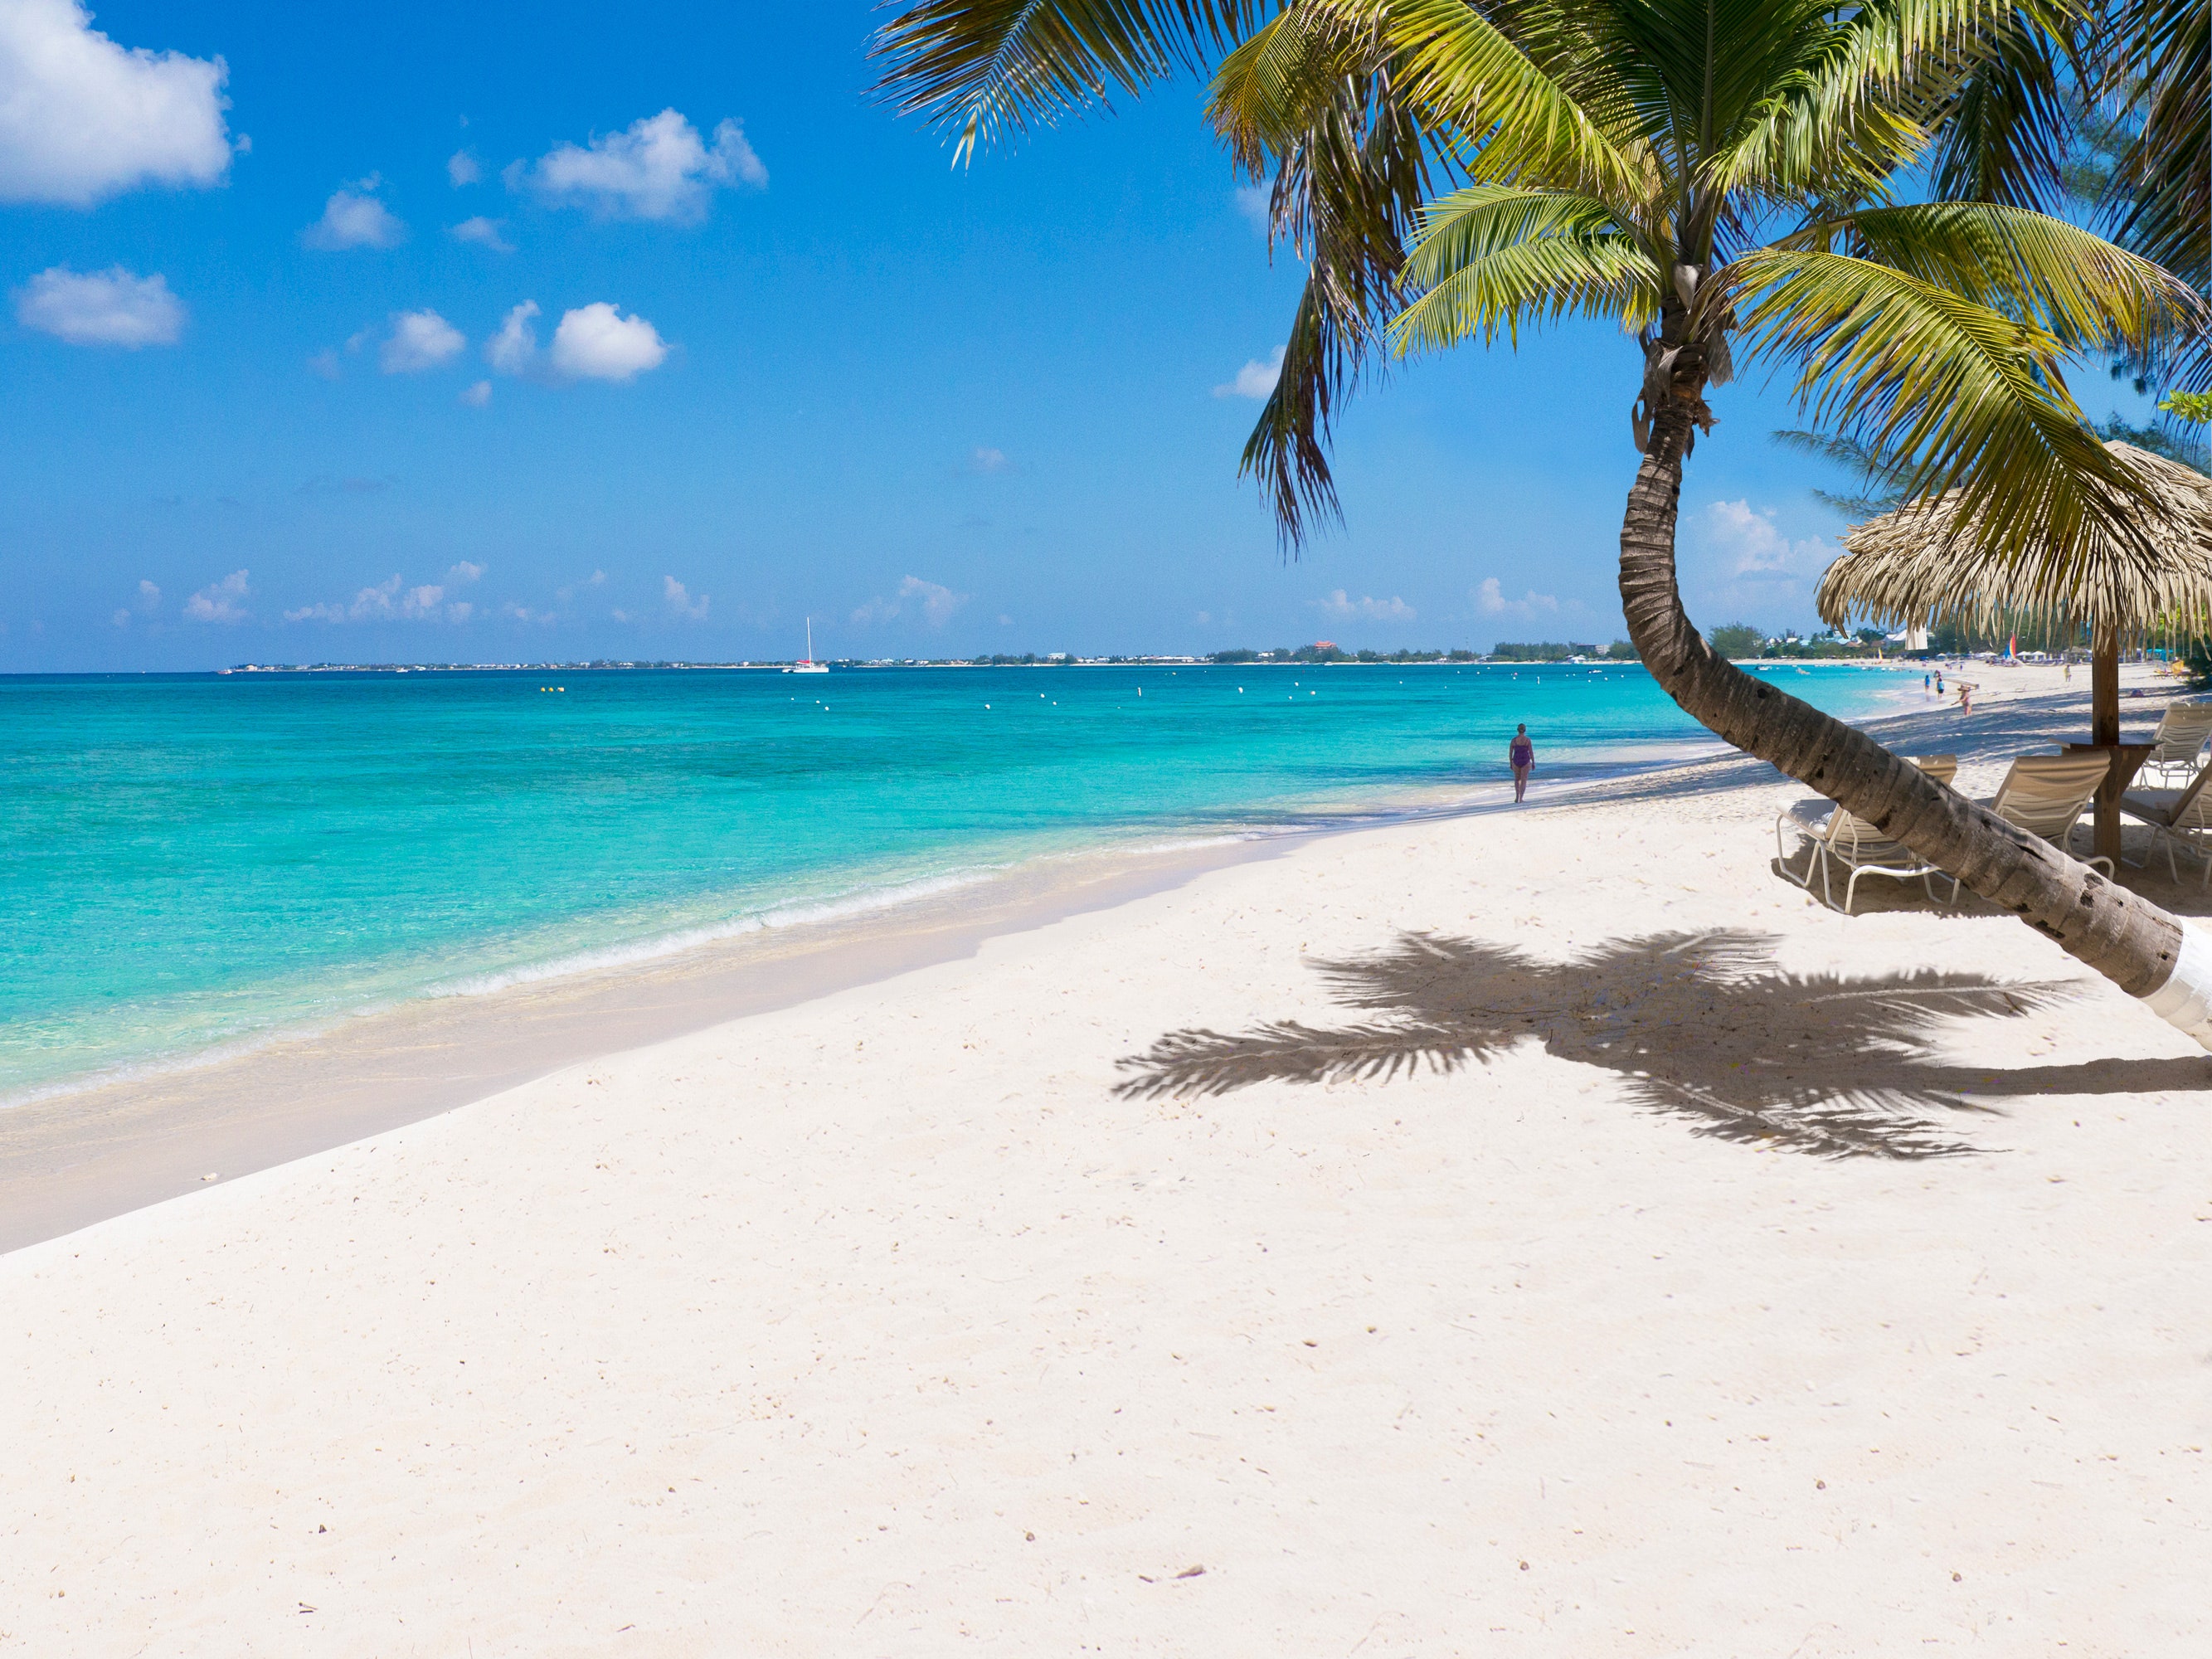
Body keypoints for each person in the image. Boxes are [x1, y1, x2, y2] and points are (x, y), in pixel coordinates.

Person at [1509, 723, 1535, 803]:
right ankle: (1521, 798)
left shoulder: (1513, 740)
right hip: (1525, 761)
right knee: (1524, 780)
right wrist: (1533, 762)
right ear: (1525, 730)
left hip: (1516, 760)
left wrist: (1511, 762)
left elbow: (1510, 753)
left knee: (1517, 779)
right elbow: (1531, 752)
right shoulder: (1527, 740)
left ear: (1517, 730)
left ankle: (1517, 797)